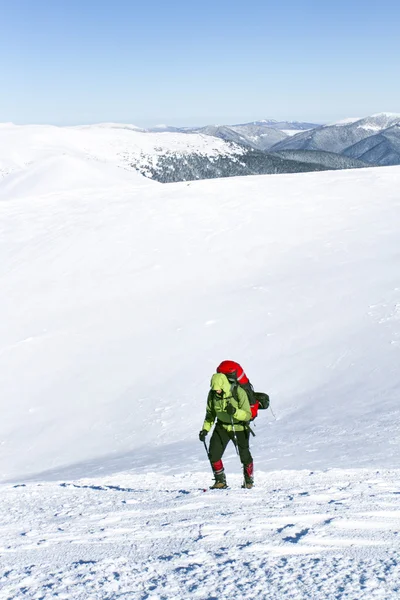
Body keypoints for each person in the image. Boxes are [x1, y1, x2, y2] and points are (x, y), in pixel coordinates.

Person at [199, 372, 254, 489]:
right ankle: (220, 481)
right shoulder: (212, 394)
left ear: (224, 385)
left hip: (239, 426)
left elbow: (247, 415)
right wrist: (205, 429)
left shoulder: (238, 392)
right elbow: (210, 414)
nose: (217, 391)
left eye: (219, 389)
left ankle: (248, 481)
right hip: (222, 426)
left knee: (244, 455)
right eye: (215, 389)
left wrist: (235, 411)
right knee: (213, 453)